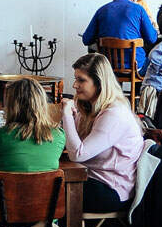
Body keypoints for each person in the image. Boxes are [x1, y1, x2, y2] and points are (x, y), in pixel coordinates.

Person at [61, 53, 144, 212]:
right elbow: (72, 143)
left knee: (50, 190)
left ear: (99, 83)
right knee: (47, 182)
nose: (75, 85)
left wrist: (66, 115)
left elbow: (78, 154)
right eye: (76, 78)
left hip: (111, 188)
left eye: (81, 80)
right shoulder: (90, 108)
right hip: (90, 178)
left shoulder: (114, 114)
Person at [0, 77, 65, 187]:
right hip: (47, 203)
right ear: (42, 104)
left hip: (4, 203)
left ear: (11, 106)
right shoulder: (59, 135)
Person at [82, 0, 158, 75]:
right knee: (153, 64)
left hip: (107, 66)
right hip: (135, 67)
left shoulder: (101, 10)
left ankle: (113, 89)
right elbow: (152, 39)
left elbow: (86, 40)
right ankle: (138, 90)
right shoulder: (139, 9)